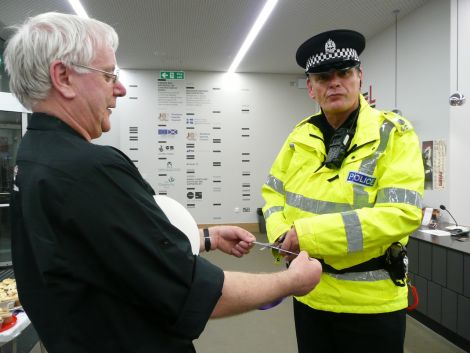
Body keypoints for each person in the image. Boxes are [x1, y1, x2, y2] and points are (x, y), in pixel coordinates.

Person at [4, 12, 322, 353]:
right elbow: (190, 291)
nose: (121, 88)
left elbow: (108, 253)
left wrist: (206, 238)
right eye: (109, 75)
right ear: (63, 77)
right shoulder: (89, 169)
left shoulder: (33, 156)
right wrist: (289, 282)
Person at [261, 29, 424, 353]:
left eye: (344, 73)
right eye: (323, 76)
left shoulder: (394, 135)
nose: (334, 82)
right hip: (309, 292)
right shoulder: (300, 137)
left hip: (370, 305)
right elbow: (273, 193)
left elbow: (401, 215)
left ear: (359, 77)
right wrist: (283, 236)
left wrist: (305, 234)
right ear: (310, 87)